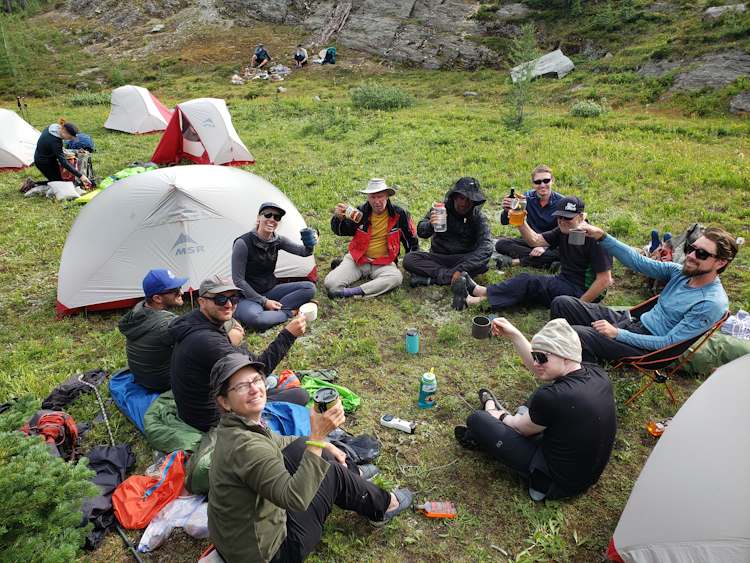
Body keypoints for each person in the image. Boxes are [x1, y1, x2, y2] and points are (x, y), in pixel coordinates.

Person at [208, 353, 414, 563]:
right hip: (272, 554)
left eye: (256, 380)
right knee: (331, 473)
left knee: (301, 447)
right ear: (224, 401)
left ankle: (354, 475)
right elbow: (295, 499)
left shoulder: (235, 427)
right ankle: (385, 505)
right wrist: (317, 437)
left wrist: (323, 443)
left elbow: (280, 441)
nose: (254, 388)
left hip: (237, 541)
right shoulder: (247, 448)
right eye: (241, 386)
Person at [455, 318, 616, 501]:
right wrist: (515, 334)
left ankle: (487, 417)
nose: (536, 363)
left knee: (477, 419)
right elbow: (543, 370)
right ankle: (522, 417)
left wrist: (495, 414)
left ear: (564, 355)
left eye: (541, 358)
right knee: (543, 394)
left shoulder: (554, 396)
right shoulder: (597, 374)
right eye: (535, 356)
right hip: (584, 473)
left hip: (556, 482)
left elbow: (517, 427)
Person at [550, 224, 737, 363]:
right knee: (562, 303)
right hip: (633, 322)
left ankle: (572, 360)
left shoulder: (710, 303)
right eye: (691, 248)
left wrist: (618, 334)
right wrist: (602, 236)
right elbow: (638, 262)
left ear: (720, 263)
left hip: (644, 348)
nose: (690, 256)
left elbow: (669, 344)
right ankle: (569, 349)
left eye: (701, 254)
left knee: (576, 333)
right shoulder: (681, 273)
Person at [170, 275, 309, 433]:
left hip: (200, 406)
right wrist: (288, 335)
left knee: (282, 391)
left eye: (234, 298)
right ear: (202, 302)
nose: (229, 304)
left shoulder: (196, 322)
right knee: (300, 396)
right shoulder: (207, 341)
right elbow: (260, 369)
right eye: (220, 299)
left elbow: (242, 357)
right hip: (211, 418)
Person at [453, 196, 612, 311]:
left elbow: (604, 280)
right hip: (565, 280)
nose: (563, 221)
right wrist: (521, 221)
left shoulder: (595, 238)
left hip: (582, 290)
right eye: (560, 217)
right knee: (531, 290)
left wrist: (578, 306)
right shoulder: (563, 230)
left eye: (568, 218)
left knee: (529, 282)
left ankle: (478, 295)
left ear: (582, 216)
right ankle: (477, 297)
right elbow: (535, 241)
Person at [324, 178, 418, 299]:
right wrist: (338, 219)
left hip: (384, 263)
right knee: (330, 283)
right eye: (373, 197)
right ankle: (345, 266)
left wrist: (414, 267)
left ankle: (350, 292)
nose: (377, 201)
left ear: (387, 196)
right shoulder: (359, 213)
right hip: (358, 259)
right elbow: (341, 231)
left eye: (380, 197)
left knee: (396, 278)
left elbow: (411, 241)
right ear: (368, 197)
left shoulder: (400, 214)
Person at [232, 202, 317, 332]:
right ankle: (288, 312)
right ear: (258, 218)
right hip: (247, 296)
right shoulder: (242, 243)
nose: (272, 219)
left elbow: (304, 252)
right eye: (268, 215)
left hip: (271, 290)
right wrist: (264, 302)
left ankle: (274, 311)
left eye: (276, 217)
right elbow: (238, 281)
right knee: (256, 320)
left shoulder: (278, 241)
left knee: (309, 287)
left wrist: (310, 243)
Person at [403, 176, 493, 288]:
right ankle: (455, 278)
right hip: (439, 256)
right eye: (461, 198)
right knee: (409, 259)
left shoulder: (478, 217)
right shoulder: (441, 209)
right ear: (454, 197)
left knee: (483, 264)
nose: (464, 203)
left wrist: (461, 268)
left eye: (469, 200)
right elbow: (421, 232)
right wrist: (430, 225)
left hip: (462, 259)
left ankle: (433, 280)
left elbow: (487, 247)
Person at [118, 269, 188, 392]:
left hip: (143, 377)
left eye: (180, 287)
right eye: (175, 291)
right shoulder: (165, 325)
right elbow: (201, 333)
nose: (181, 292)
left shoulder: (140, 308)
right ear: (157, 298)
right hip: (162, 383)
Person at [494, 165, 566, 269]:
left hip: (551, 243)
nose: (542, 185)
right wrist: (507, 209)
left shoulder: (561, 202)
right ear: (533, 184)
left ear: (552, 181)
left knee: (563, 252)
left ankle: (518, 262)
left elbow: (562, 232)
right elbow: (505, 221)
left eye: (546, 181)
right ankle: (546, 261)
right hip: (529, 240)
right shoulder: (526, 199)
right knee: (501, 244)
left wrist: (545, 247)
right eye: (538, 182)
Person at [21, 120, 91, 193]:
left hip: (45, 157)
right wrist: (81, 176)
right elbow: (63, 162)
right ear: (64, 132)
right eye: (69, 138)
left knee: (60, 180)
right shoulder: (55, 142)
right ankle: (32, 185)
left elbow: (49, 146)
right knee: (59, 183)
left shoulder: (53, 127)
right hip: (44, 163)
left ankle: (34, 183)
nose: (69, 140)